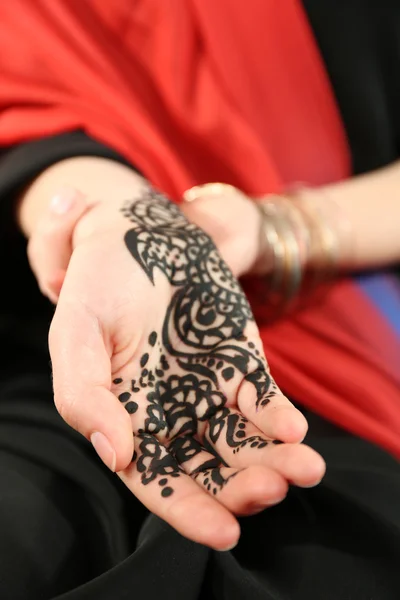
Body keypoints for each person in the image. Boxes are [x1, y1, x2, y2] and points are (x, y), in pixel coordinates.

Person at [0, 1, 399, 599]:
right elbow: (33, 94)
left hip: (343, 336)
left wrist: (275, 230)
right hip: (77, 346)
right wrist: (110, 219)